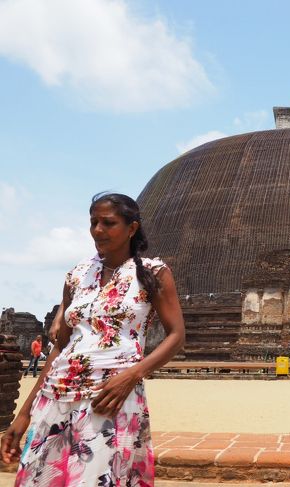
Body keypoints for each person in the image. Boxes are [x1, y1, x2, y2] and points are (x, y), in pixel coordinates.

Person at [1, 193, 185, 486]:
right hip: (57, 393)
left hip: (111, 394)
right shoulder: (77, 276)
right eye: (94, 222)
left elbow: (176, 336)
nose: (98, 230)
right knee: (41, 477)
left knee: (95, 478)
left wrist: (133, 375)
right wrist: (24, 415)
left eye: (108, 223)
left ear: (132, 228)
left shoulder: (153, 274)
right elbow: (60, 346)